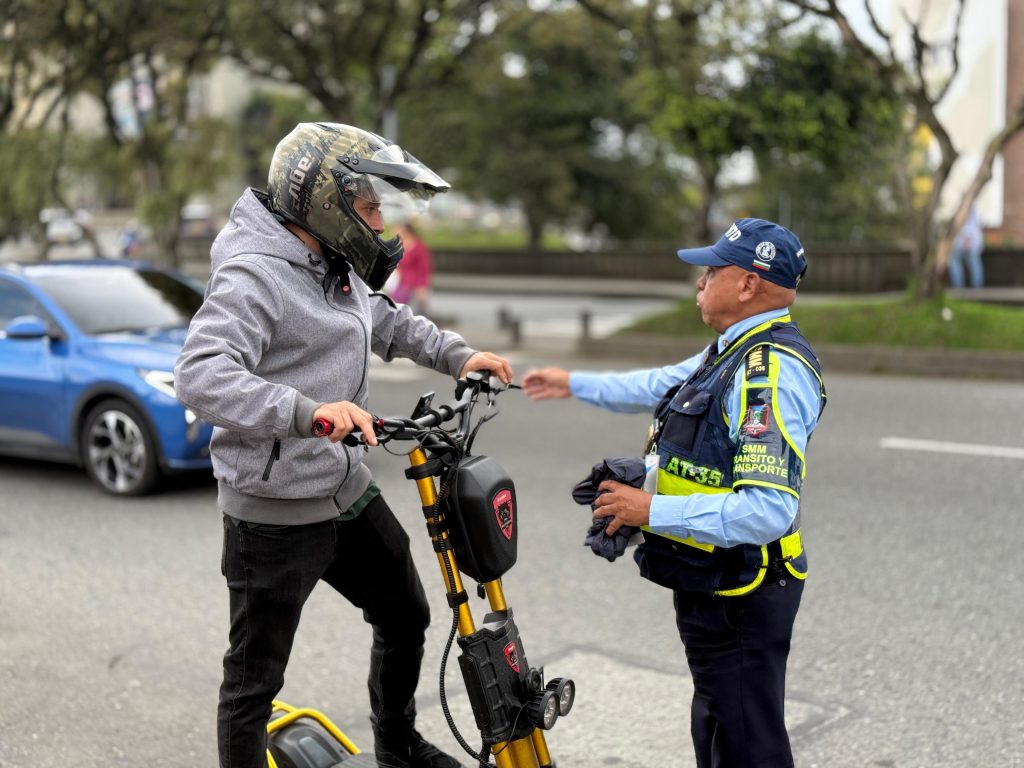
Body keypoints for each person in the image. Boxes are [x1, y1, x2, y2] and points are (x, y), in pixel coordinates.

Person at [175, 122, 513, 768]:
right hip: (273, 513)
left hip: (344, 489)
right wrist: (308, 414)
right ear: (325, 202)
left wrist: (457, 355)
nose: (379, 221)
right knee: (253, 682)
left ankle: (396, 743)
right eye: (368, 206)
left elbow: (383, 319)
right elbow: (200, 374)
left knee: (406, 614)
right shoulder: (254, 274)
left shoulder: (333, 262)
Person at [523, 218, 826, 768]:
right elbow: (658, 382)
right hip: (715, 579)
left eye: (712, 270)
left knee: (748, 746)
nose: (699, 281)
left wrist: (650, 509)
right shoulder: (733, 350)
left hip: (743, 592)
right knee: (718, 727)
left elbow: (768, 511)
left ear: (749, 284)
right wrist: (574, 384)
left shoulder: (768, 372)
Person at [393, 222, 434, 315]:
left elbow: (424, 268)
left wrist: (423, 285)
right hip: (403, 283)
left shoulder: (419, 247)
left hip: (415, 285)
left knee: (415, 313)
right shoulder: (401, 245)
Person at [948, 204, 984, 288]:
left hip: (965, 241)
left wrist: (967, 237)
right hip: (972, 241)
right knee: (974, 263)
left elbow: (968, 224)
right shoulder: (975, 209)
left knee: (957, 260)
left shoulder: (966, 208)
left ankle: (958, 285)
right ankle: (976, 285)